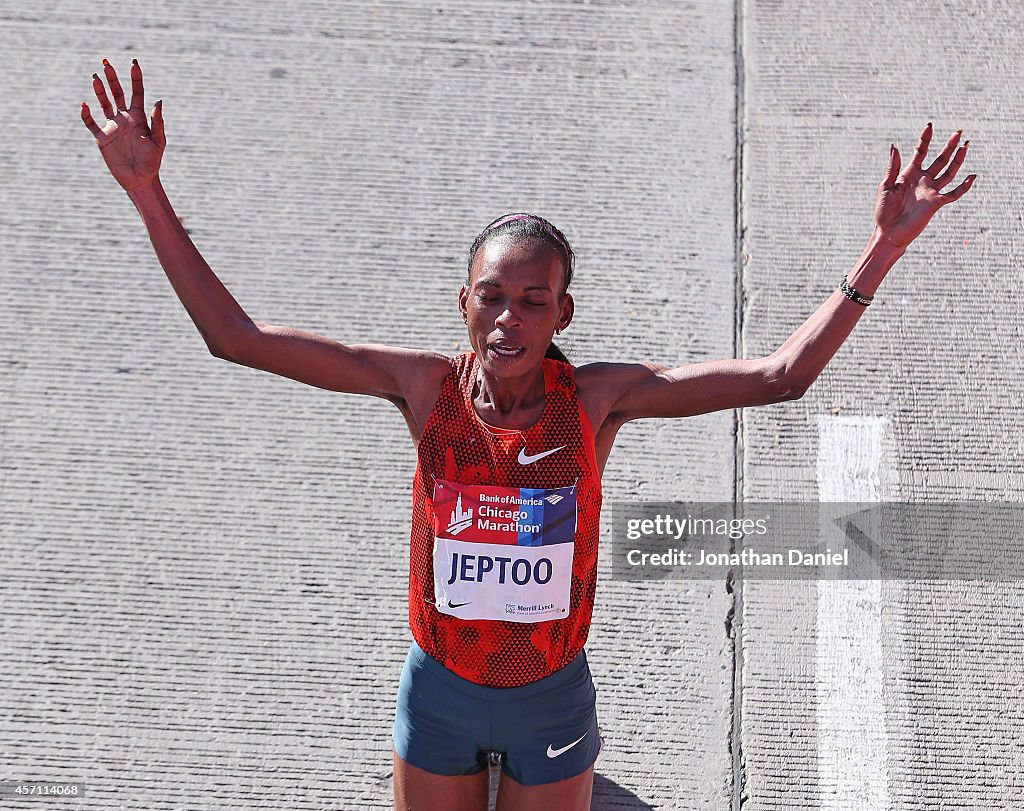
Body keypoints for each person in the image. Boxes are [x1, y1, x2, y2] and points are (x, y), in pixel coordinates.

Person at [81, 58, 976, 811]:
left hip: (550, 698)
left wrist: (881, 249)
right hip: (439, 693)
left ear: (563, 311)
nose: (511, 316)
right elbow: (237, 340)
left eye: (534, 299)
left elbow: (782, 376)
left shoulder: (595, 400)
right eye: (492, 296)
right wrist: (147, 191)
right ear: (463, 303)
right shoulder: (421, 385)